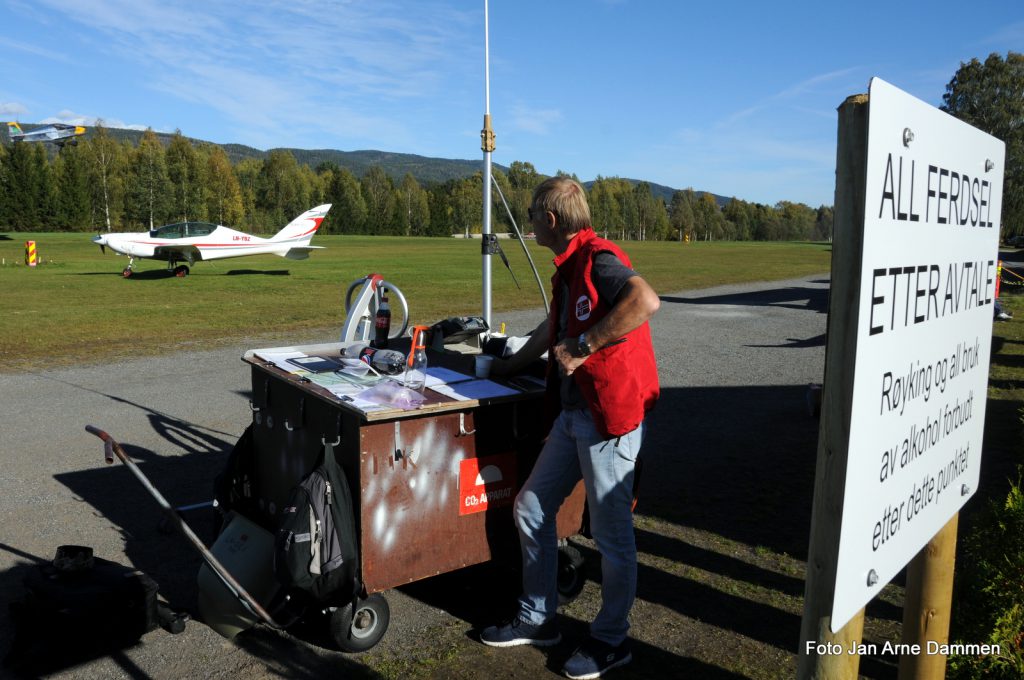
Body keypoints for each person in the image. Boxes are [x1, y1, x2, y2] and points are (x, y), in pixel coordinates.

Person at [479, 177, 660, 679]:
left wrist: (586, 346)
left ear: (550, 220)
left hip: (609, 420)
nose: (530, 219)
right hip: (574, 416)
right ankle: (539, 617)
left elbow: (645, 300)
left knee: (611, 535)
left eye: (533, 212)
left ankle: (610, 640)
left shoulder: (598, 260)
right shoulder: (569, 268)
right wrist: (509, 368)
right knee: (532, 507)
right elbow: (552, 327)